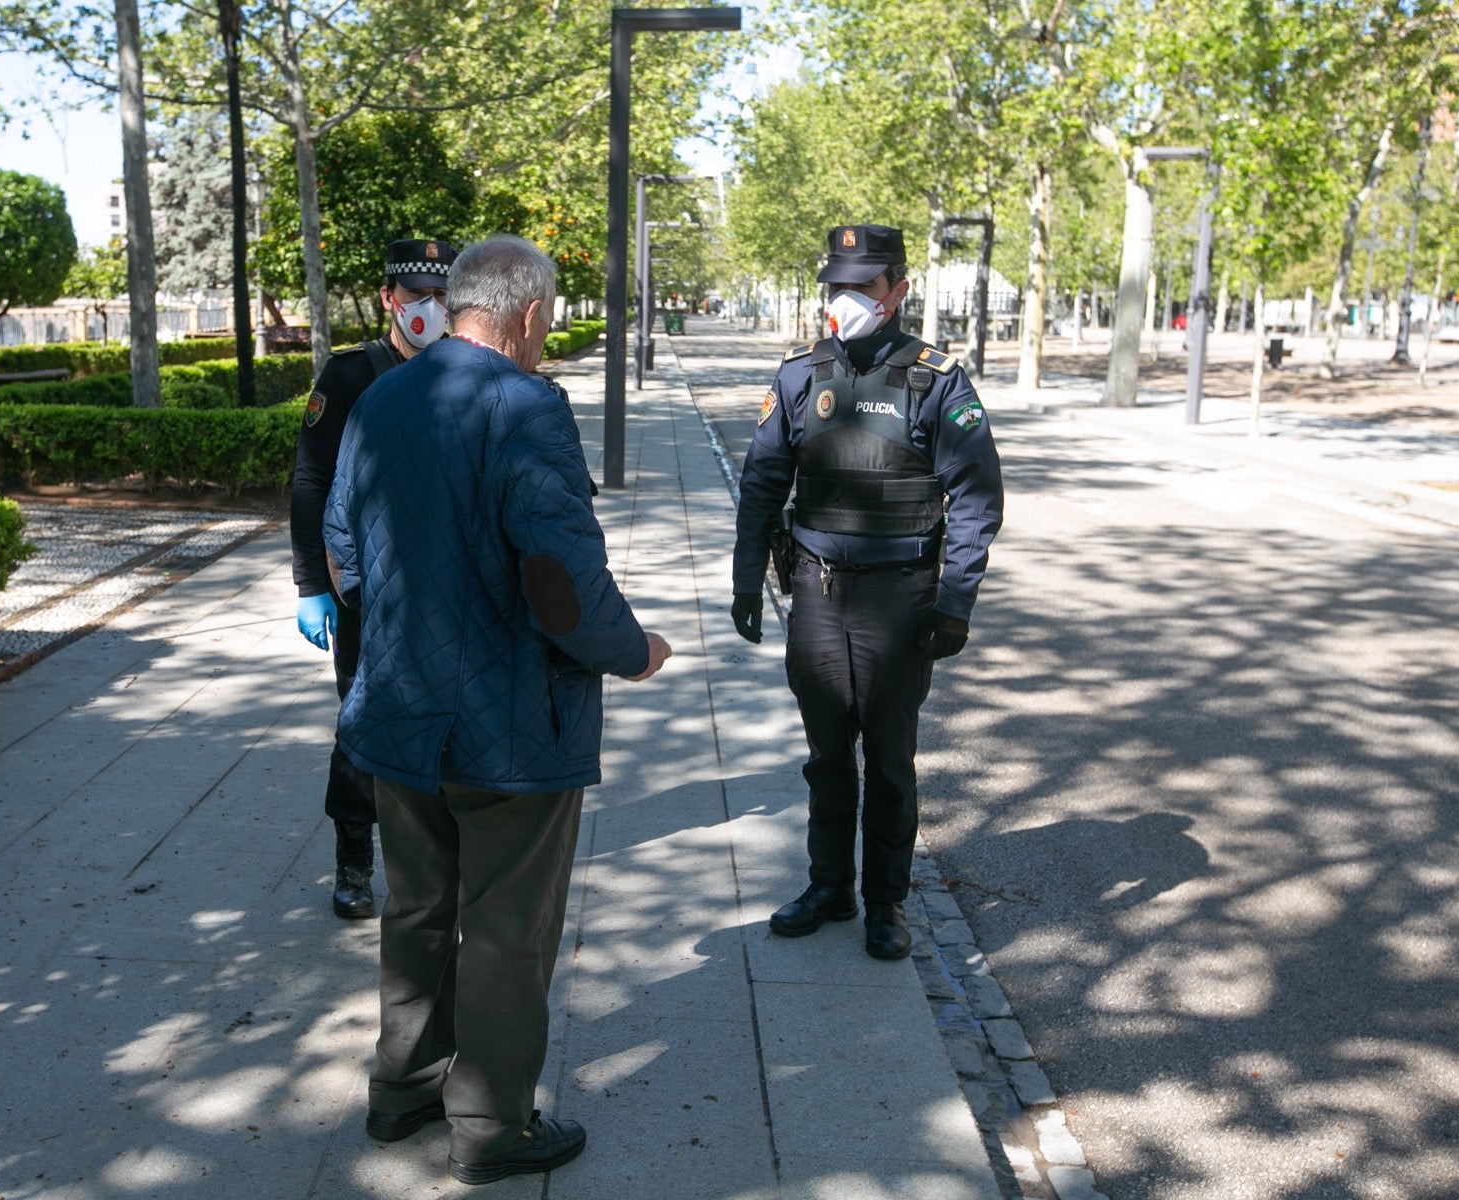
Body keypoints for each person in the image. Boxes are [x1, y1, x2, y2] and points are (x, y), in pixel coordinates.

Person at [324, 234, 672, 1185]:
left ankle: (401, 1093)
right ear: (525, 314)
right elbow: (560, 577)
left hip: (397, 717)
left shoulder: (384, 395)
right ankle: (488, 1127)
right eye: (550, 317)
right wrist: (633, 651)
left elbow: (341, 549)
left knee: (418, 911)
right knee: (508, 933)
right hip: (509, 730)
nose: (549, 332)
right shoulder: (529, 408)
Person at [730, 223, 1003, 961]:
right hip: (817, 595)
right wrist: (745, 577)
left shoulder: (935, 379)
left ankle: (886, 901)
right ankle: (830, 887)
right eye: (838, 286)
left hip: (899, 600)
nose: (847, 299)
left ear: (898, 291)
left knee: (887, 759)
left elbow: (977, 498)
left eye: (865, 286)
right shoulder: (799, 375)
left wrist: (955, 601)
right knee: (825, 755)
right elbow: (763, 483)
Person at [289, 237, 456, 919]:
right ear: (389, 298)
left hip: (446, 582)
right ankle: (354, 858)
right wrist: (310, 584)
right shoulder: (352, 374)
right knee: (363, 722)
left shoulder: (462, 368)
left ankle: (437, 860)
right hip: (363, 584)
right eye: (418, 297)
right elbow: (310, 481)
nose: (431, 310)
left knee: (449, 719)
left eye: (443, 297)